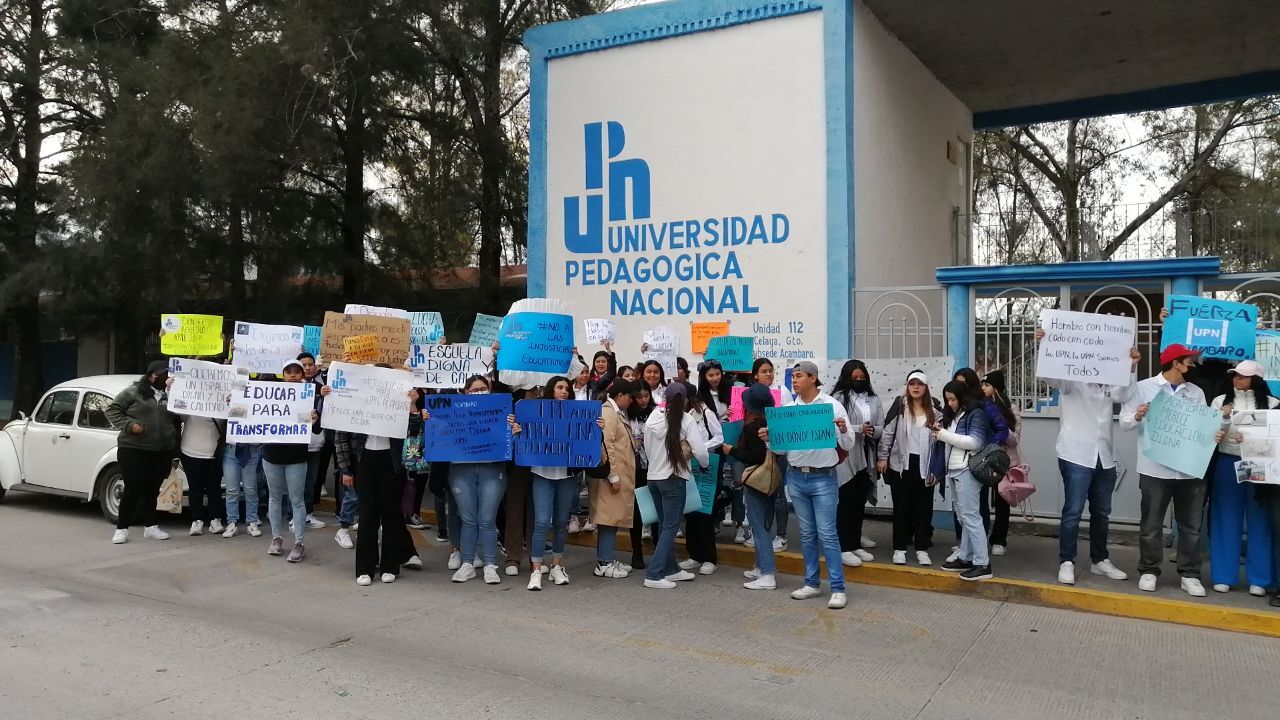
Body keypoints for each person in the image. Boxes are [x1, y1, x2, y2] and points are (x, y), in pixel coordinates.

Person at [1034, 326, 1137, 586]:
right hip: (1075, 453)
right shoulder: (1072, 380)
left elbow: (1124, 395)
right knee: (1073, 511)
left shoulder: (1112, 379)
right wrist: (1044, 346)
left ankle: (1099, 560)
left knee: (1102, 512)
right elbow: (1049, 377)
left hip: (1104, 455)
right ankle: (1066, 561)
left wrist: (1132, 366)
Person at [1121, 343, 1219, 598]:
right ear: (1176, 363)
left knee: (1191, 526)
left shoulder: (1196, 392)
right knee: (1151, 525)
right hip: (1155, 469)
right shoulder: (1143, 388)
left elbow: (1199, 427)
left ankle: (1190, 574)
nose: (1193, 365)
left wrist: (1214, 432)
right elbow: (1124, 422)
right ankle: (1149, 570)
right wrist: (1139, 415)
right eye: (1189, 361)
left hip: (1189, 470)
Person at [761, 361, 854, 609]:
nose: (794, 380)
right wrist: (771, 439)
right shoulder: (789, 409)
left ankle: (837, 587)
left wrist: (843, 430)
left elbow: (848, 444)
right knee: (807, 533)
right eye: (793, 377)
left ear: (813, 378)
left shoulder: (831, 406)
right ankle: (812, 583)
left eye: (799, 376)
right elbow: (781, 449)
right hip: (796, 477)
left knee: (827, 533)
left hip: (823, 477)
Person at [331, 377, 417, 586]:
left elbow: (414, 432)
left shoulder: (399, 402)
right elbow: (341, 435)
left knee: (390, 514)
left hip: (392, 461)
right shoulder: (356, 401)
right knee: (367, 515)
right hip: (364, 460)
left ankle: (390, 566)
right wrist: (346, 469)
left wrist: (412, 405)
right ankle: (365, 568)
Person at [438, 374, 521, 585]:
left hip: (492, 470)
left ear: (490, 389)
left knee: (486, 520)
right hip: (461, 470)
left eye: (483, 388)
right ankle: (467, 564)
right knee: (468, 520)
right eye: (474, 390)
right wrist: (430, 418)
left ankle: (490, 565)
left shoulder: (503, 412)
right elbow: (439, 433)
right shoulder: (452, 411)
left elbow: (510, 445)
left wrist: (514, 431)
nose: (479, 392)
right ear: (466, 392)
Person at [1208, 360, 1276, 596]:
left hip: (1259, 464)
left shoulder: (1272, 403)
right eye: (1234, 375)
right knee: (1226, 517)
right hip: (1228, 462)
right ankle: (1224, 576)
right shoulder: (1220, 401)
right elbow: (1209, 435)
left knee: (1260, 519)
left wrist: (1255, 441)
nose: (1237, 379)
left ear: (1255, 379)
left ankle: (1260, 579)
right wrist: (1224, 420)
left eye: (1242, 376)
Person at [641, 382, 709, 589]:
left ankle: (671, 569)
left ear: (666, 399)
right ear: (686, 400)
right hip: (673, 478)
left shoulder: (653, 417)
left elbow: (645, 445)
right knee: (671, 526)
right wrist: (704, 465)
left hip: (653, 477)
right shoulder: (686, 420)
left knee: (663, 525)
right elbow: (700, 451)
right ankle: (654, 574)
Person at [107, 361, 181, 544]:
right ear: (150, 376)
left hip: (161, 450)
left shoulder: (171, 396)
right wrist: (129, 425)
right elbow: (112, 409)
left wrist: (175, 452)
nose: (165, 378)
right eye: (161, 374)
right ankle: (122, 528)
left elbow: (176, 424)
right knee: (132, 488)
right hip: (133, 448)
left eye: (167, 375)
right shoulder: (134, 392)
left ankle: (151, 526)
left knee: (152, 489)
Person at [527, 375, 587, 591]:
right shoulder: (536, 411)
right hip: (542, 473)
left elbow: (585, 439)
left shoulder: (578, 413)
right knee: (542, 522)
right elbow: (526, 434)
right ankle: (536, 569)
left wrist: (595, 426)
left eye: (567, 388)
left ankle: (557, 566)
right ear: (551, 390)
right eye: (559, 387)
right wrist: (517, 430)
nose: (564, 391)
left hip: (567, 475)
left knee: (561, 522)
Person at [877, 371, 941, 566]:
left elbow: (941, 442)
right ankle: (900, 548)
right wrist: (882, 457)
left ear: (926, 387)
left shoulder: (936, 410)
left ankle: (922, 549)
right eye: (912, 383)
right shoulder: (899, 406)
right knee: (902, 508)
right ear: (907, 386)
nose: (915, 387)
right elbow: (888, 433)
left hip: (925, 465)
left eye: (919, 384)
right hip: (900, 465)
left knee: (924, 509)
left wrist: (938, 469)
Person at [935, 380, 994, 581]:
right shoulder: (957, 415)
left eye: (952, 399)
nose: (950, 403)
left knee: (971, 516)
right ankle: (966, 556)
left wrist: (942, 434)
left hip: (967, 469)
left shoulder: (975, 413)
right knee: (963, 517)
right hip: (955, 469)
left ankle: (982, 563)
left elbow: (975, 442)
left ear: (962, 396)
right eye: (947, 399)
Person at [262, 361, 320, 562]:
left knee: (296, 499)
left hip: (296, 456)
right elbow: (253, 411)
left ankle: (299, 542)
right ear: (283, 374)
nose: (293, 375)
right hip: (272, 454)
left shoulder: (308, 395)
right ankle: (276, 538)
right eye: (289, 372)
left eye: (297, 372)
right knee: (274, 497)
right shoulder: (268, 393)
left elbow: (317, 429)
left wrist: (314, 421)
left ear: (303, 374)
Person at [726, 383, 779, 589]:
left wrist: (731, 450)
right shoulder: (771, 422)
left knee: (758, 527)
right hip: (771, 479)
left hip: (757, 479)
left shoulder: (751, 426)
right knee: (765, 523)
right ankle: (759, 566)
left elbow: (754, 456)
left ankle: (767, 573)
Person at [832, 359, 884, 567]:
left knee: (859, 502)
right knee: (846, 500)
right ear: (846, 378)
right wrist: (859, 428)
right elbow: (835, 426)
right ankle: (843, 546)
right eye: (855, 378)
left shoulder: (874, 399)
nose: (859, 381)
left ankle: (855, 543)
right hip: (846, 456)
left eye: (863, 378)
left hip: (867, 453)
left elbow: (881, 426)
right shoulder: (837, 398)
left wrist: (872, 430)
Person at [592, 379, 639, 578]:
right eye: (629, 397)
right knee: (608, 520)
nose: (631, 401)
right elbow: (606, 445)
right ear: (620, 396)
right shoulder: (608, 413)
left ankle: (607, 557)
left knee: (612, 518)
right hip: (611, 477)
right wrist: (613, 476)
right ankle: (604, 562)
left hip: (618, 475)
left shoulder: (616, 413)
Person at [678, 381, 725, 576]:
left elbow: (719, 437)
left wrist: (701, 447)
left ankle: (709, 558)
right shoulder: (681, 416)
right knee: (691, 513)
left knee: (705, 512)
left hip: (707, 466)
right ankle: (694, 554)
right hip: (688, 468)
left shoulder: (706, 413)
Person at [751, 358, 793, 552]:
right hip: (757, 449)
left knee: (777, 493)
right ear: (755, 375)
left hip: (778, 448)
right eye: (764, 371)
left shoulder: (782, 392)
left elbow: (789, 418)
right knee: (758, 490)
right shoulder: (748, 393)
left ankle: (782, 535)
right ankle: (760, 532)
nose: (769, 374)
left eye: (771, 370)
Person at [979, 370, 1019, 556]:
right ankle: (978, 536)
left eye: (986, 385)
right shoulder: (979, 407)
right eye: (982, 385)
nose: (983, 388)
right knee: (979, 500)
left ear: (996, 388)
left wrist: (1001, 425)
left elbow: (1015, 440)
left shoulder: (1012, 408)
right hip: (982, 460)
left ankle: (998, 540)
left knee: (1002, 501)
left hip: (1004, 462)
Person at [504, 386, 539, 577]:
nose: (535, 393)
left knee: (536, 513)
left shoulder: (546, 406)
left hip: (539, 465)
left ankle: (536, 555)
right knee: (514, 511)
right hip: (517, 466)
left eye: (537, 390)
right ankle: (513, 557)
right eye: (531, 390)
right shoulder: (511, 408)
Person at [175, 408, 225, 537]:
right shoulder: (191, 399)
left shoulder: (220, 401)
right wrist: (171, 390)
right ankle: (197, 520)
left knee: (214, 487)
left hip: (214, 451)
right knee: (195, 487)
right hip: (190, 450)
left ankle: (216, 519)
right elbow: (178, 412)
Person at [297, 352, 328, 531]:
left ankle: (308, 514)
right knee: (295, 482)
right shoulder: (290, 388)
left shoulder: (321, 385)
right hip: (296, 443)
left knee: (310, 481)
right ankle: (293, 515)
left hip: (315, 442)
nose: (308, 368)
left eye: (310, 364)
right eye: (304, 365)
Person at [628, 383, 655, 569]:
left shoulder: (656, 412)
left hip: (655, 466)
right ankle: (636, 552)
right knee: (636, 512)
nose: (643, 400)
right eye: (639, 396)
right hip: (635, 468)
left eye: (646, 395)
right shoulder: (626, 415)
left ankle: (659, 552)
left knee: (655, 510)